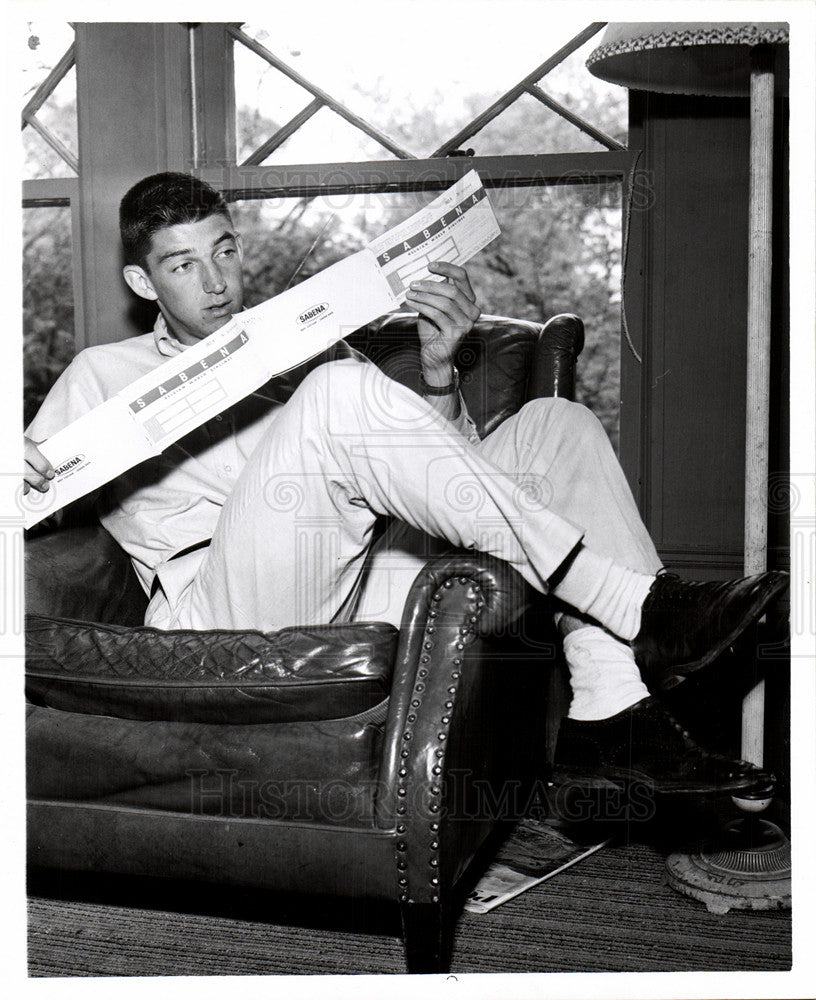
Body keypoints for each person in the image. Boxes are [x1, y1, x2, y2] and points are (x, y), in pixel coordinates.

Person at [24, 172, 787, 800]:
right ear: (142, 280)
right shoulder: (102, 374)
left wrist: (435, 372)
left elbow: (456, 487)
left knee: (557, 426)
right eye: (183, 264)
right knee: (336, 394)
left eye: (223, 251)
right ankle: (634, 602)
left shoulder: (296, 343)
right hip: (219, 608)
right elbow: (23, 502)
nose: (216, 282)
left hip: (358, 572)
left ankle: (610, 706)